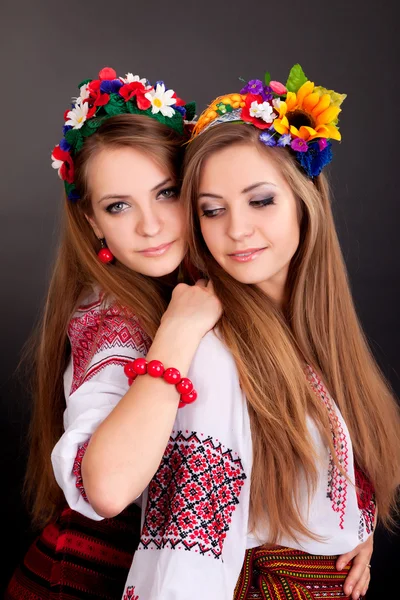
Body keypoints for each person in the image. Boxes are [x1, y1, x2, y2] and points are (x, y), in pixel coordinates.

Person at [121, 64, 400, 600]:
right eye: (211, 210)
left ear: (304, 200)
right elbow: (186, 555)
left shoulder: (315, 329)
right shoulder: (211, 355)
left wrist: (352, 531)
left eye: (261, 200)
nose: (237, 229)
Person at [5, 66, 222, 599]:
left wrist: (351, 524)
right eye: (119, 206)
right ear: (94, 222)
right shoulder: (109, 317)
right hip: (86, 581)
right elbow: (106, 488)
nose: (148, 225)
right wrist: (177, 332)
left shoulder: (211, 281)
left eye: (166, 193)